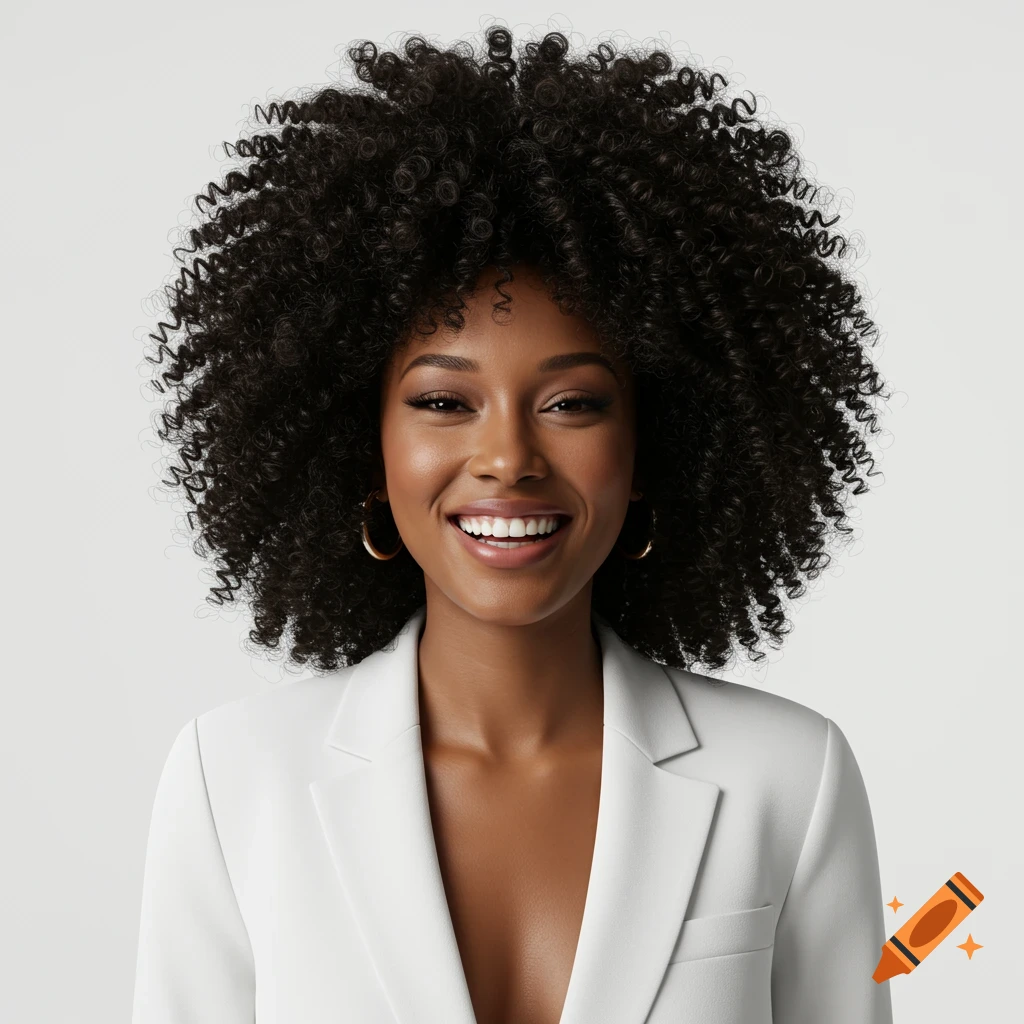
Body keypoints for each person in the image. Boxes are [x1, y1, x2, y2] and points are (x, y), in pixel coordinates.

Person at [132, 23, 894, 1024]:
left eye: (571, 401)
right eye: (443, 403)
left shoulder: (789, 778)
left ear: (657, 438)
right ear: (357, 441)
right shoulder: (234, 782)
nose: (507, 459)